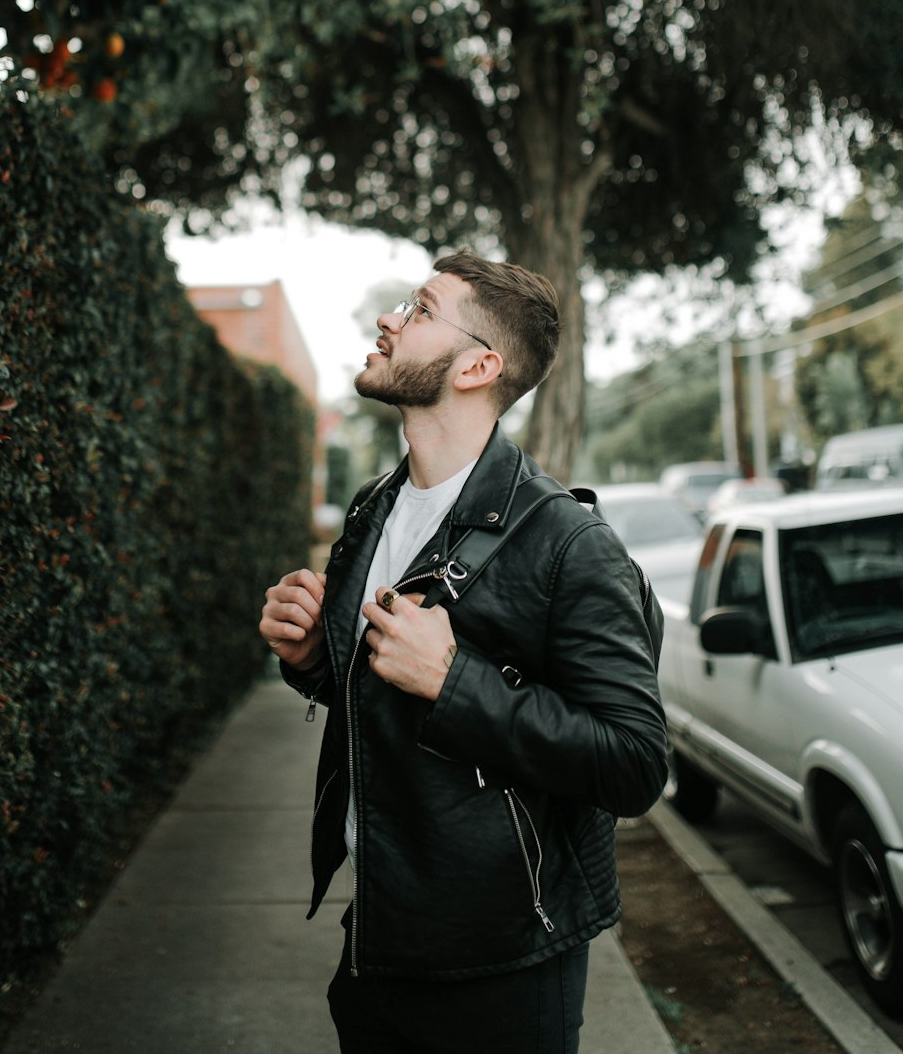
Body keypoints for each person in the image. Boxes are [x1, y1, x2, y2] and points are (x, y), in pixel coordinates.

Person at [259, 251, 667, 1054]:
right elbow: (371, 693)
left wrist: (454, 681)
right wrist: (311, 657)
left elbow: (633, 761)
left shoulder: (568, 543)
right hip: (377, 933)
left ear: (480, 365)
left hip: (507, 961)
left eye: (417, 310)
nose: (389, 319)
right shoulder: (374, 507)